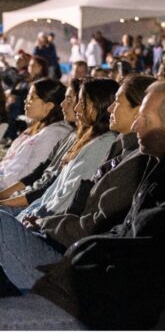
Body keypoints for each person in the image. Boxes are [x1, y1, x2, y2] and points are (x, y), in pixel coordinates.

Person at [0, 80, 165, 330]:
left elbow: (156, 274)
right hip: (85, 296)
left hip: (99, 313)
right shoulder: (161, 172)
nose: (136, 125)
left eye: (145, 118)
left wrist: (78, 268)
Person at [0, 75, 155, 295]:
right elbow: (49, 189)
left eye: (118, 102)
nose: (111, 108)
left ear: (140, 111)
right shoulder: (112, 147)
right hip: (53, 231)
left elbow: (89, 223)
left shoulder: (113, 150)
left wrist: (42, 222)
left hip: (65, 252)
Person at [15, 78, 119, 226]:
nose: (76, 108)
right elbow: (51, 192)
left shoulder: (103, 143)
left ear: (99, 104)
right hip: (36, 214)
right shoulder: (88, 139)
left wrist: (34, 220)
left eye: (82, 103)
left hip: (46, 225)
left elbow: (66, 199)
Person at [0, 79, 83, 210]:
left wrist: (2, 198)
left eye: (32, 97)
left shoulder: (56, 134)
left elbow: (31, 178)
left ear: (49, 105)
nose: (26, 101)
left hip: (17, 199)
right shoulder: (38, 127)